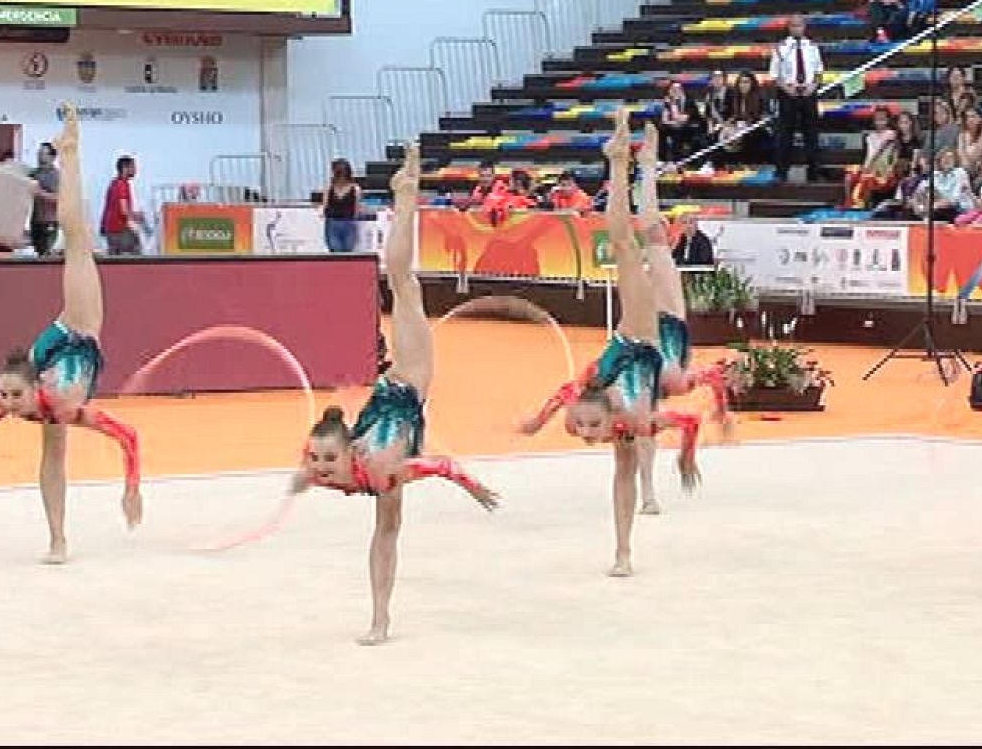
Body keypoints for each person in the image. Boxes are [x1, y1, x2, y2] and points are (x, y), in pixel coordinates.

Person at [290, 144, 500, 645]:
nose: (317, 469)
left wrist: (472, 488)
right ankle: (380, 618)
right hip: (404, 400)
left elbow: (437, 467)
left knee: (401, 281)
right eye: (318, 463)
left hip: (404, 378)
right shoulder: (349, 471)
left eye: (322, 462)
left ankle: (408, 198)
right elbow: (435, 467)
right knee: (387, 529)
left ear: (347, 453)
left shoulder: (360, 467)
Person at [520, 112, 725, 574]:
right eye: (590, 428)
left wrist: (536, 420)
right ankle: (647, 165)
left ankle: (617, 163)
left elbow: (562, 397)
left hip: (637, 333)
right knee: (653, 237)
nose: (587, 435)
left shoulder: (598, 407)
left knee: (623, 244)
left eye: (587, 427)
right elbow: (681, 425)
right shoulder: (624, 423)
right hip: (666, 337)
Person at [0, 105, 143, 565]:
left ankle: (71, 151)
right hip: (57, 361)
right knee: (52, 454)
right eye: (5, 397)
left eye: (12, 397)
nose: (6, 405)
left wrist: (131, 489)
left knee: (76, 237)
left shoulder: (63, 405)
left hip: (79, 326)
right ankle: (58, 539)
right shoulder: (17, 401)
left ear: (33, 389)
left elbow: (128, 435)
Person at [769, 15, 826, 182]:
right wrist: (787, 88)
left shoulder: (812, 47)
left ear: (804, 27)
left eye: (799, 25)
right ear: (789, 28)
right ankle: (781, 171)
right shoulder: (781, 48)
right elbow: (775, 74)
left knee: (811, 134)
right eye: (793, 26)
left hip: (808, 92)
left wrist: (813, 86)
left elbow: (818, 71)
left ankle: (814, 171)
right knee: (785, 134)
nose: (796, 29)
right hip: (788, 94)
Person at [845, 105, 900, 209]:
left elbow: (879, 152)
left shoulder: (891, 134)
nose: (879, 122)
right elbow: (869, 154)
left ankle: (862, 205)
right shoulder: (870, 137)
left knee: (866, 180)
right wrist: (865, 167)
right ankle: (849, 202)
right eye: (877, 119)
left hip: (882, 169)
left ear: (888, 120)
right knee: (849, 175)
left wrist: (869, 168)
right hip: (868, 166)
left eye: (882, 119)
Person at [100, 155, 146, 256]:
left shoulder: (113, 184)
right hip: (119, 228)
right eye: (133, 167)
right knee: (136, 248)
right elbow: (124, 210)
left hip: (110, 228)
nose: (135, 170)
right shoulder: (122, 185)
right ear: (125, 168)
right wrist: (137, 216)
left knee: (115, 256)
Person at [657, 81, 704, 162]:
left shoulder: (689, 101)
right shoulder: (668, 101)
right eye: (673, 89)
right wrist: (671, 122)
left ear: (682, 90)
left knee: (677, 131)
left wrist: (673, 105)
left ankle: (677, 160)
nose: (675, 91)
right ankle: (662, 159)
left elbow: (683, 118)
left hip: (691, 125)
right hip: (674, 125)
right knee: (661, 130)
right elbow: (664, 119)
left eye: (677, 89)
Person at [323, 158, 362, 253]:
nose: (341, 177)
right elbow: (325, 206)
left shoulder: (355, 189)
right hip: (333, 222)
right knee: (335, 250)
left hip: (349, 222)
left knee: (348, 251)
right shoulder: (329, 188)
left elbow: (357, 208)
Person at [29, 143, 61, 256]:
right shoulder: (34, 173)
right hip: (35, 220)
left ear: (52, 157)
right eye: (38, 153)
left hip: (49, 221)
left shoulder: (55, 176)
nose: (39, 156)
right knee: (38, 250)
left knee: (46, 252)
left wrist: (40, 193)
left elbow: (59, 198)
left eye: (43, 154)